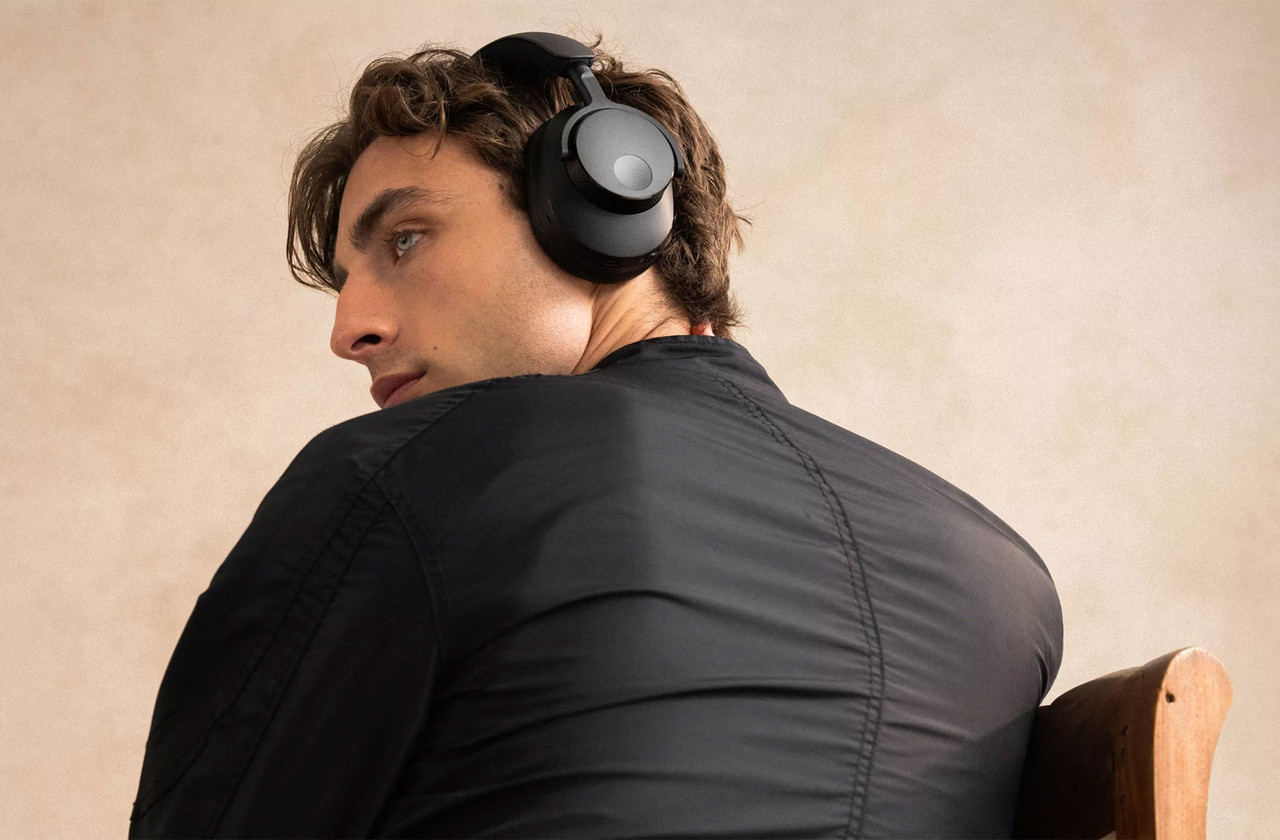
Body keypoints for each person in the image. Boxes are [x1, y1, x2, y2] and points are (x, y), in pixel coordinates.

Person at [129, 30, 1062, 839]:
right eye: (343, 280)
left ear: (602, 206)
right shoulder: (1005, 576)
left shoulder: (404, 474)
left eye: (405, 239)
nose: (349, 329)